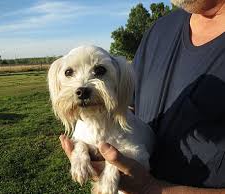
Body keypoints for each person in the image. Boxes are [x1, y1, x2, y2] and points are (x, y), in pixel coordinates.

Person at [60, 0, 225, 193]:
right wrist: (90, 146)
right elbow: (128, 105)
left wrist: (150, 188)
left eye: (99, 70)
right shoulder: (159, 30)